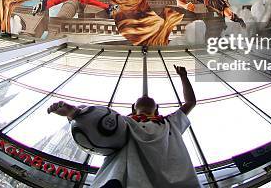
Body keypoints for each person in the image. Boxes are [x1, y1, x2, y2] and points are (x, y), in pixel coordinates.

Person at [47, 65, 201, 187]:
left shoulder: (171, 122)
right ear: (133, 108)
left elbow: (190, 103)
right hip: (120, 178)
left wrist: (184, 77)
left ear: (157, 108)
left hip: (174, 181)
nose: (145, 96)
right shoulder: (122, 122)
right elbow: (98, 125)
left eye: (148, 98)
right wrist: (74, 114)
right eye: (141, 98)